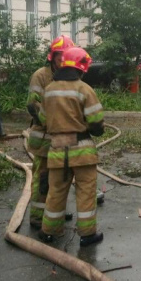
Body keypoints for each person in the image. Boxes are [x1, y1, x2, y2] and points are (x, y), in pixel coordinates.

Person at [38, 47, 105, 246]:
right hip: (82, 151)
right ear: (81, 68)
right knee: (85, 192)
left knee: (56, 191)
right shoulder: (84, 89)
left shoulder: (49, 90)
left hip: (57, 152)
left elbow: (42, 119)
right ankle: (87, 235)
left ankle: (48, 231)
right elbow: (96, 123)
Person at [27, 35, 76, 227]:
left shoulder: (70, 75)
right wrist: (52, 122)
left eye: (66, 55)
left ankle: (55, 213)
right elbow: (32, 105)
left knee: (61, 177)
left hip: (64, 137)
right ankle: (38, 216)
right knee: (44, 178)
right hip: (45, 137)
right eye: (60, 55)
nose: (62, 59)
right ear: (52, 55)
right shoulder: (41, 75)